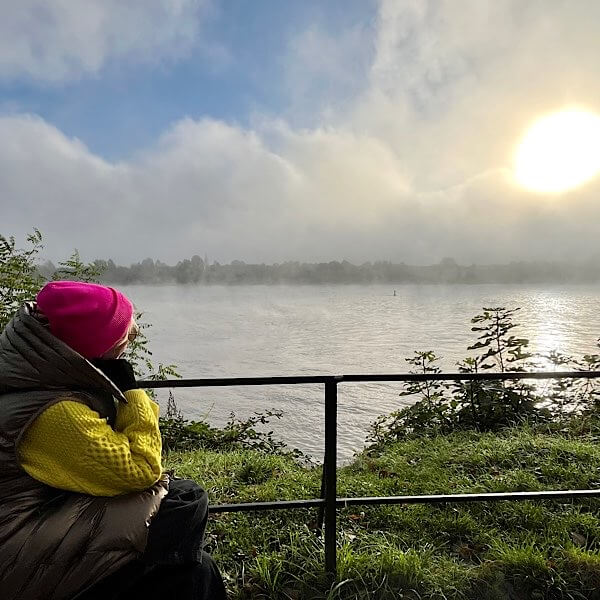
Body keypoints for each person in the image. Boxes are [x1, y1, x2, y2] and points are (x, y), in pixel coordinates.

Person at [0, 281, 227, 600]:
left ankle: (170, 571)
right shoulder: (55, 413)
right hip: (19, 546)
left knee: (187, 503)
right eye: (123, 339)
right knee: (186, 515)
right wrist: (132, 394)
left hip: (46, 513)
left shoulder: (37, 374)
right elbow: (142, 469)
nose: (128, 345)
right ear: (94, 348)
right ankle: (164, 573)